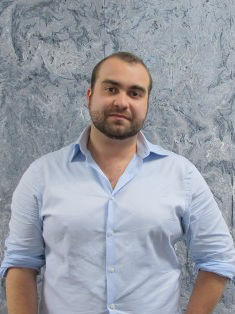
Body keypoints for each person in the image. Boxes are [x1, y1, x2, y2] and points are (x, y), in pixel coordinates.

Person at [1, 51, 235, 314]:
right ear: (90, 96)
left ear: (146, 103)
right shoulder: (42, 174)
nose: (122, 102)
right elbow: (21, 263)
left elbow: (218, 257)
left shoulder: (182, 175)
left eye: (135, 93)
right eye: (111, 89)